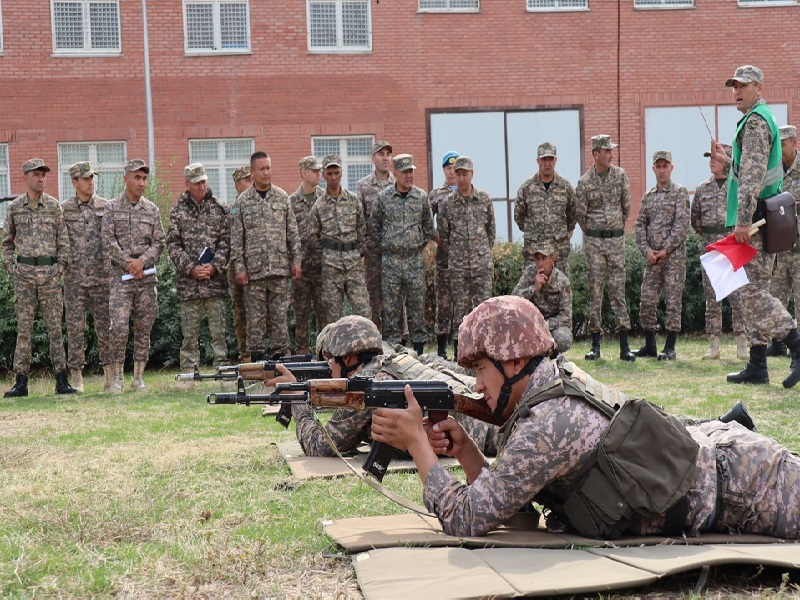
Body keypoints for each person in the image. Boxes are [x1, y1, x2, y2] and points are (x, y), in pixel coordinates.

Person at [370, 295, 800, 540]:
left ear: (515, 361)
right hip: (731, 469)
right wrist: (464, 451)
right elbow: (511, 510)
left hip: (751, 484)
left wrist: (418, 445)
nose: (478, 385)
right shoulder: (546, 396)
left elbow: (466, 519)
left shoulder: (548, 425)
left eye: (481, 370)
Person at [271, 314, 496, 458]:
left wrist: (295, 399)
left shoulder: (366, 384)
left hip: (486, 433)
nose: (329, 366)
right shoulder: (388, 364)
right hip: (488, 420)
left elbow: (321, 447)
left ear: (348, 359)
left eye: (331, 358)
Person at [713, 65, 800, 387]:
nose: (737, 91)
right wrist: (727, 161)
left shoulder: (755, 122)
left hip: (757, 222)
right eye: (734, 85)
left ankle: (795, 344)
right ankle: (758, 364)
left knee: (752, 291)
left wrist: (742, 222)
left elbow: (751, 180)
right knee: (752, 288)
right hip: (765, 218)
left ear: (759, 87)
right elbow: (752, 170)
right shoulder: (760, 120)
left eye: (743, 85)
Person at [2, 158, 76, 397]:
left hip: (50, 276)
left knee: (55, 328)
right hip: (23, 276)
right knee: (24, 330)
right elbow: (6, 242)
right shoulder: (14, 207)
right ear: (26, 177)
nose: (41, 178)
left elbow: (63, 241)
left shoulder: (54, 206)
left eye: (43, 174)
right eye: (36, 175)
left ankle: (61, 380)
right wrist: (10, 267)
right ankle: (21, 381)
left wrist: (60, 268)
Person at [229, 151, 302, 361]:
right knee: (255, 321)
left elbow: (293, 233)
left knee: (280, 319)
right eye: (262, 169)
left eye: (269, 168)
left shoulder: (282, 197)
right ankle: (257, 364)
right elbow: (236, 240)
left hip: (279, 270)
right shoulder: (243, 202)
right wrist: (240, 268)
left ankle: (282, 362)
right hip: (254, 272)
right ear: (252, 172)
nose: (266, 172)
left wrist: (296, 261)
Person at [102, 159, 165, 393]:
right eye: (137, 178)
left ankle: (138, 377)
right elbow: (107, 241)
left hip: (146, 279)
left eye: (145, 178)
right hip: (121, 279)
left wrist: (142, 262)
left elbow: (159, 242)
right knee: (118, 327)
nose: (141, 183)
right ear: (126, 178)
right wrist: (129, 263)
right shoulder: (111, 208)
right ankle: (117, 378)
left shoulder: (152, 209)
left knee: (144, 327)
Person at [167, 163, 231, 390]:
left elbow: (226, 242)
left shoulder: (219, 208)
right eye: (197, 183)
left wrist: (214, 266)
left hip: (214, 282)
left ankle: (223, 371)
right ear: (187, 185)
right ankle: (189, 373)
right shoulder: (178, 211)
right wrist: (191, 268)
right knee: (189, 334)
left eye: (204, 181)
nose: (202, 186)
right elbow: (173, 245)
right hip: (189, 284)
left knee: (219, 332)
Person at [368, 154, 437, 355]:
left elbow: (428, 228)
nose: (409, 176)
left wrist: (415, 244)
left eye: (411, 171)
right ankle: (392, 351)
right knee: (391, 308)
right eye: (405, 172)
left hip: (414, 259)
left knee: (417, 305)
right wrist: (389, 244)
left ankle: (419, 349)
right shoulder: (383, 198)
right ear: (395, 173)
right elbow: (374, 227)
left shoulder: (421, 197)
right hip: (391, 261)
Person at [575, 135, 635, 362]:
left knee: (618, 289)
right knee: (595, 291)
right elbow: (581, 214)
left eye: (612, 151)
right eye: (607, 151)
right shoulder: (584, 182)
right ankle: (595, 345)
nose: (611, 154)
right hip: (594, 243)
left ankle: (624, 345)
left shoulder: (620, 176)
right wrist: (595, 231)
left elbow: (626, 207)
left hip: (616, 241)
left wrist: (613, 228)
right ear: (596, 154)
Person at [691, 145, 748, 361]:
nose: (711, 161)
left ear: (727, 159)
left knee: (737, 296)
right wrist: (709, 237)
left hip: (732, 245)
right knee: (712, 297)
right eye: (709, 158)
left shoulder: (737, 186)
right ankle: (713, 344)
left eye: (715, 157)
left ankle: (741, 342)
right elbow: (695, 219)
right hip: (711, 248)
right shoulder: (701, 188)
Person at [633, 151, 689, 361]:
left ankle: (670, 347)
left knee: (673, 301)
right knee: (647, 299)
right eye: (659, 166)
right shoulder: (648, 197)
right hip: (652, 258)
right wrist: (646, 250)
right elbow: (640, 224)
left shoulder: (680, 193)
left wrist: (666, 248)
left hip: (672, 257)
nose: (662, 170)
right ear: (653, 169)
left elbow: (681, 224)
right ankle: (650, 346)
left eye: (666, 166)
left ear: (671, 168)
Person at [437, 156, 495, 358]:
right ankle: (459, 352)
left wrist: (481, 253)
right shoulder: (446, 204)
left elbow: (491, 232)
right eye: (458, 173)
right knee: (459, 310)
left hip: (481, 265)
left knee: (484, 309)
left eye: (465, 174)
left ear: (472, 174)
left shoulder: (485, 199)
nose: (461, 178)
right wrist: (458, 253)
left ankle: (486, 350)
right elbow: (444, 235)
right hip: (458, 266)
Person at [61, 161, 112, 392]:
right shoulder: (63, 210)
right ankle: (77, 375)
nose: (91, 182)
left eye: (92, 178)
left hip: (102, 278)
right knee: (75, 328)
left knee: (106, 327)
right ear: (75, 182)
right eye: (86, 178)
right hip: (75, 279)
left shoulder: (106, 206)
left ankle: (110, 373)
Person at [308, 154, 371, 328]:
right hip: (331, 266)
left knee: (363, 310)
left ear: (342, 172)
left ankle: (366, 350)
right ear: (323, 175)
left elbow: (361, 229)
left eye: (336, 172)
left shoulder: (353, 201)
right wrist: (327, 255)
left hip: (353, 263)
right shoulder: (318, 206)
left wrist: (358, 253)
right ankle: (334, 354)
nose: (334, 177)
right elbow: (313, 237)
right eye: (330, 174)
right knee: (332, 315)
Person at [514, 142, 577, 273]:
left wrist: (568, 229)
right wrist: (532, 232)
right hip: (534, 252)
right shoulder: (527, 187)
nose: (547, 163)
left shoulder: (565, 186)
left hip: (558, 251)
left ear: (556, 160)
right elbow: (518, 215)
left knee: (560, 289)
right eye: (544, 159)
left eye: (550, 159)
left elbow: (574, 211)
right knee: (531, 289)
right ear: (537, 160)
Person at [766, 125, 800, 356]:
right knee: (776, 296)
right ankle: (777, 343)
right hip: (780, 250)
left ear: (794, 142)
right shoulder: (775, 171)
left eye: (783, 144)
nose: (780, 149)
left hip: (799, 250)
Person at [356, 141, 395, 330]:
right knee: (372, 298)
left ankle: (397, 339)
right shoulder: (363, 186)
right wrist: (363, 250)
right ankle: (374, 337)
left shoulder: (398, 183)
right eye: (381, 154)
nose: (386, 157)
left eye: (388, 154)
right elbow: (359, 220)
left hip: (394, 254)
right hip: (372, 255)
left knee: (395, 299)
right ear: (373, 158)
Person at [288, 156, 324, 354]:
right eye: (314, 171)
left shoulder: (324, 198)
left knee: (323, 313)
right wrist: (293, 263)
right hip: (300, 269)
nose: (319, 174)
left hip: (322, 267)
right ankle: (302, 352)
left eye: (319, 171)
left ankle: (324, 352)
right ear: (303, 173)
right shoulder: (291, 202)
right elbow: (288, 235)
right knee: (301, 313)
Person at [512, 241, 572, 353]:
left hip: (553, 327)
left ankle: (552, 356)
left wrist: (544, 325)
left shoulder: (562, 281)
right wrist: (533, 289)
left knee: (563, 338)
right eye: (537, 259)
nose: (540, 263)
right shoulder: (530, 273)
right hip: (531, 323)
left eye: (544, 258)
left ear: (552, 260)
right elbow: (513, 299)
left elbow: (566, 317)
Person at [428, 150, 459, 359]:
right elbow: (427, 221)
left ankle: (459, 348)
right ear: (444, 170)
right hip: (443, 258)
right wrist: (438, 239)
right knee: (444, 304)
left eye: (455, 168)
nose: (452, 172)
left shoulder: (467, 191)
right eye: (448, 168)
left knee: (461, 304)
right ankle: (441, 350)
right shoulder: (436, 194)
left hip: (464, 259)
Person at [228, 166, 252, 362]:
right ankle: (245, 353)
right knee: (240, 311)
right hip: (237, 266)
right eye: (246, 180)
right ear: (237, 184)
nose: (250, 183)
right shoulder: (234, 208)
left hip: (256, 265)